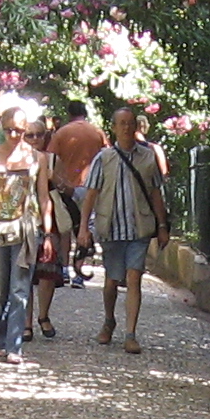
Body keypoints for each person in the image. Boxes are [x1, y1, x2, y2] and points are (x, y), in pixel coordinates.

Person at [80, 103, 172, 354]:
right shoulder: (104, 158)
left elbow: (155, 194)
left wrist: (162, 225)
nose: (127, 128)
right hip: (111, 228)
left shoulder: (148, 157)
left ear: (136, 127)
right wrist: (83, 227)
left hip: (139, 228)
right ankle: (109, 320)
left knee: (134, 277)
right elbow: (91, 194)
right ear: (114, 128)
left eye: (131, 123)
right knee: (112, 280)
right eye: (122, 124)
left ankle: (130, 334)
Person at [0, 100, 48, 363]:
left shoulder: (38, 159)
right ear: (1, 129)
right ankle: (1, 338)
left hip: (26, 231)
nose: (14, 135)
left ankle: (14, 345)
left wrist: (48, 232)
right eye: (9, 130)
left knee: (20, 289)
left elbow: (43, 197)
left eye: (19, 130)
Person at [48, 98, 106, 287]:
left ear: (69, 114)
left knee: (66, 228)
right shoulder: (97, 132)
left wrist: (58, 183)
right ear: (85, 113)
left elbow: (51, 159)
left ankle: (65, 269)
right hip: (92, 188)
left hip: (67, 188)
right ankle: (80, 272)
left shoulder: (61, 133)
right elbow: (108, 156)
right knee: (86, 228)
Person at [25, 115, 73, 337]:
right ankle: (26, 323)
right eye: (29, 135)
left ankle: (43, 316)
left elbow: (69, 189)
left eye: (39, 134)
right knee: (24, 272)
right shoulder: (17, 160)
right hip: (25, 220)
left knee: (47, 272)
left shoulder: (53, 159)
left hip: (49, 221)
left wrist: (55, 179)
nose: (35, 139)